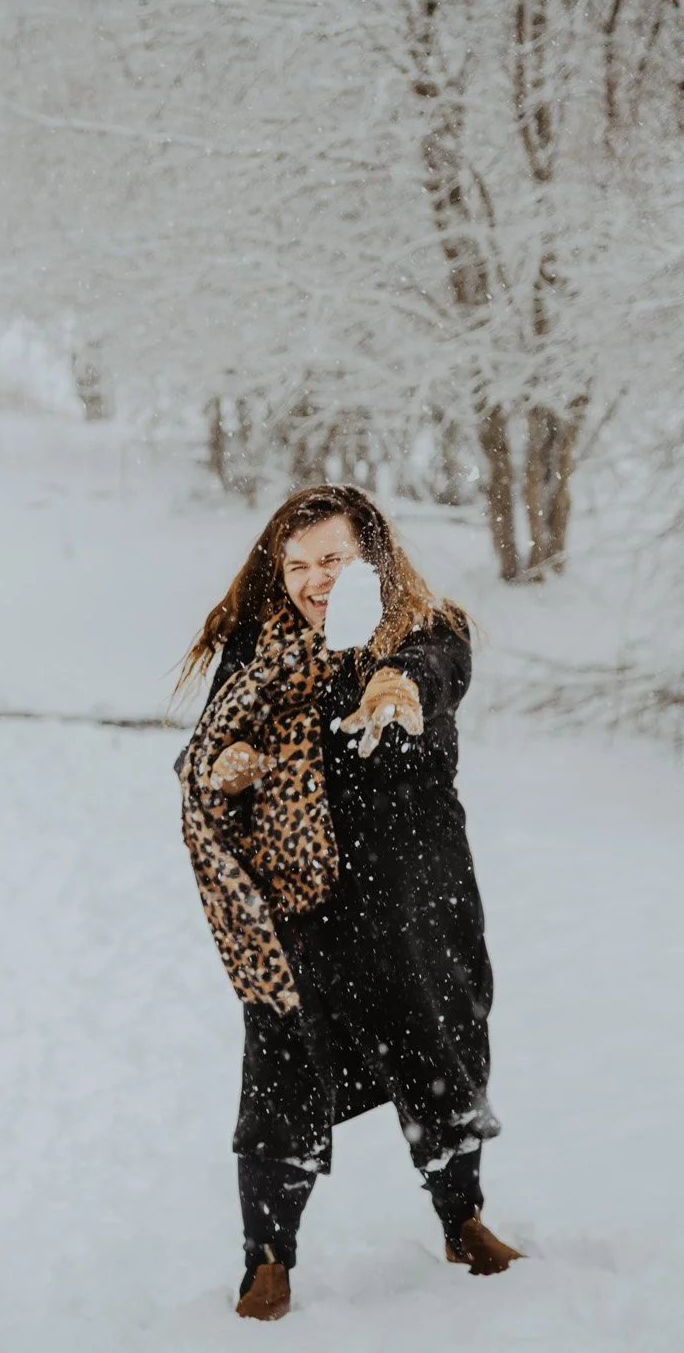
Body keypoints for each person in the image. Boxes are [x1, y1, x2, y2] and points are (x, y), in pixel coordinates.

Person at [175, 484, 521, 1322]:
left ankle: (462, 1218)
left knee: (440, 1055)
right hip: (305, 912)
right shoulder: (262, 652)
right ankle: (267, 1260)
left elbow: (436, 670)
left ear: (374, 555)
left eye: (332, 558)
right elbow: (221, 736)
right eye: (296, 565)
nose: (314, 579)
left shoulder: (427, 629)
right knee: (282, 1077)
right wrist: (234, 765)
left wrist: (396, 685)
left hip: (413, 900)